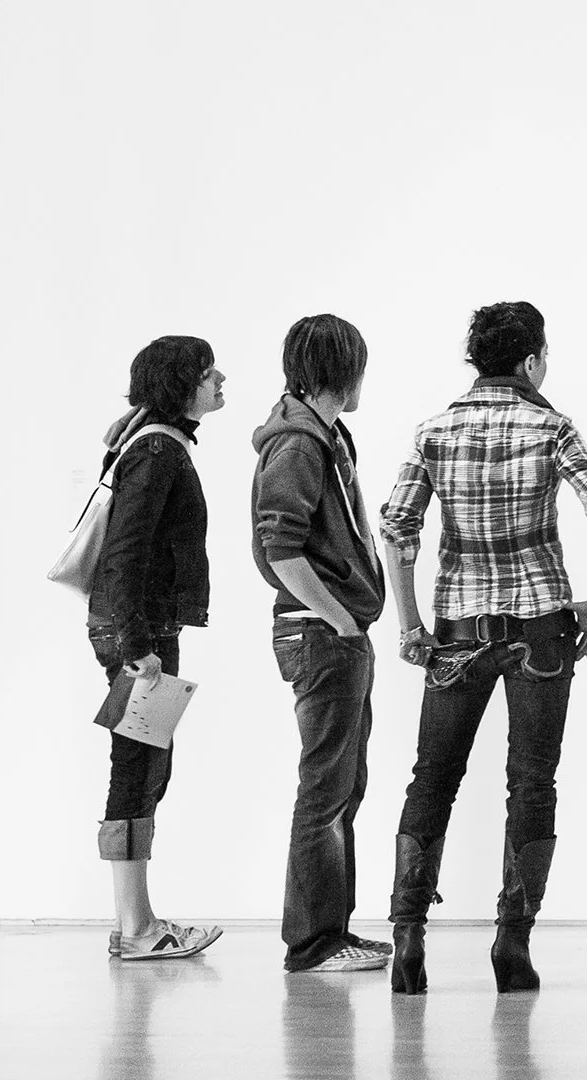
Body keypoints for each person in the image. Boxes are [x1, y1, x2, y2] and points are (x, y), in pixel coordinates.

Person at [379, 301, 587, 993]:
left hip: (458, 631)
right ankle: (512, 944)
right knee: (532, 781)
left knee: (433, 777)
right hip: (540, 631)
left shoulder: (434, 431)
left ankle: (407, 937)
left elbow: (397, 526)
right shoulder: (550, 426)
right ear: (530, 361)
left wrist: (409, 627)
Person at [250, 314, 390, 973]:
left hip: (336, 636)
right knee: (324, 790)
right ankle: (313, 943)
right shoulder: (300, 445)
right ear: (340, 369)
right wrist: (338, 617)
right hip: (320, 637)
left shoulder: (327, 436)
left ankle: (332, 931)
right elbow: (279, 549)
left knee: (342, 785)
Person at [89, 335, 227, 961]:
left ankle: (137, 922)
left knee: (144, 767)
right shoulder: (157, 450)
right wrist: (138, 647)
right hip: (138, 635)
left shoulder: (147, 439)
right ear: (181, 383)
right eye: (207, 371)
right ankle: (136, 929)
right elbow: (124, 553)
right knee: (138, 768)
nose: (220, 378)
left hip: (141, 629)